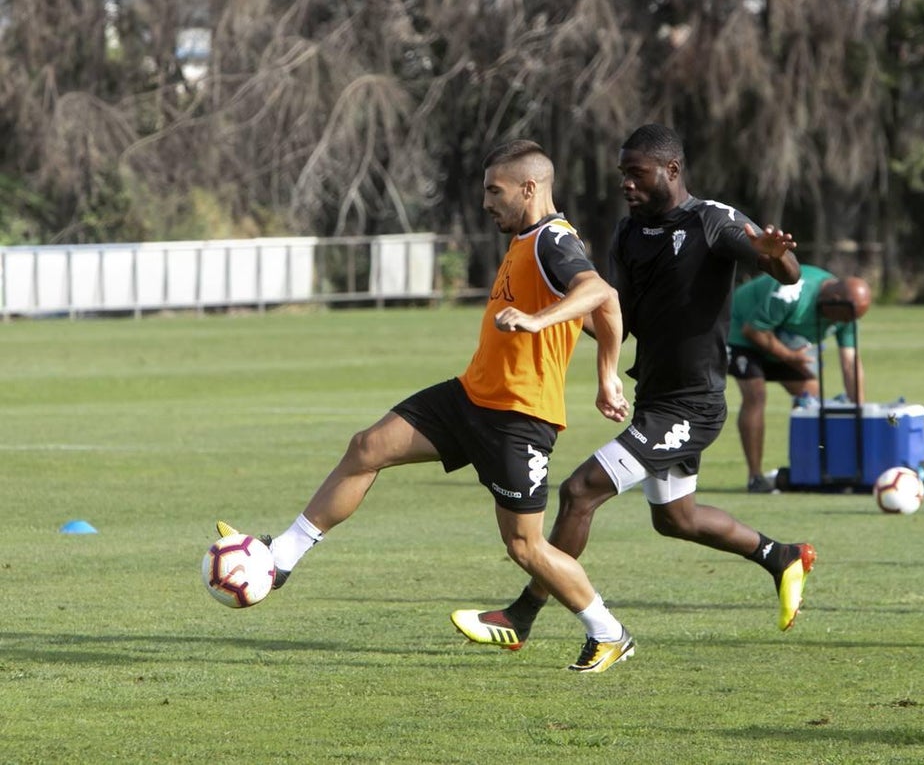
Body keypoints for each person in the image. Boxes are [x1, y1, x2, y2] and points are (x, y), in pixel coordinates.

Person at [217, 139, 638, 673]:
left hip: (519, 420)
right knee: (368, 447)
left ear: (529, 189)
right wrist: (605, 374)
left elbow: (599, 290)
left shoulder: (552, 240)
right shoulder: (528, 237)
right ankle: (280, 560)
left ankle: (609, 633)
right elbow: (608, 309)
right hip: (470, 397)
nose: (487, 202)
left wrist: (537, 323)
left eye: (495, 191)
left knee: (525, 547)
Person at [450, 123, 815, 651]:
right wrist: (558, 317)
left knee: (580, 492)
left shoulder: (712, 221)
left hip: (693, 405)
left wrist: (775, 253)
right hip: (656, 399)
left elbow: (783, 269)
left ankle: (523, 615)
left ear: (671, 170)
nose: (626, 184)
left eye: (636, 173)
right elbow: (622, 319)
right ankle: (782, 557)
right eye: (622, 174)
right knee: (676, 518)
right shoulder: (628, 234)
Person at [727, 265, 871, 493]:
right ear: (833, 300)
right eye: (843, 318)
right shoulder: (790, 291)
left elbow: (850, 363)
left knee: (810, 394)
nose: (843, 324)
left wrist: (860, 411)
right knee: (755, 394)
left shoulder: (846, 312)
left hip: (781, 340)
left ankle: (807, 471)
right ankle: (755, 476)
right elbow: (753, 331)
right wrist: (789, 356)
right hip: (740, 333)